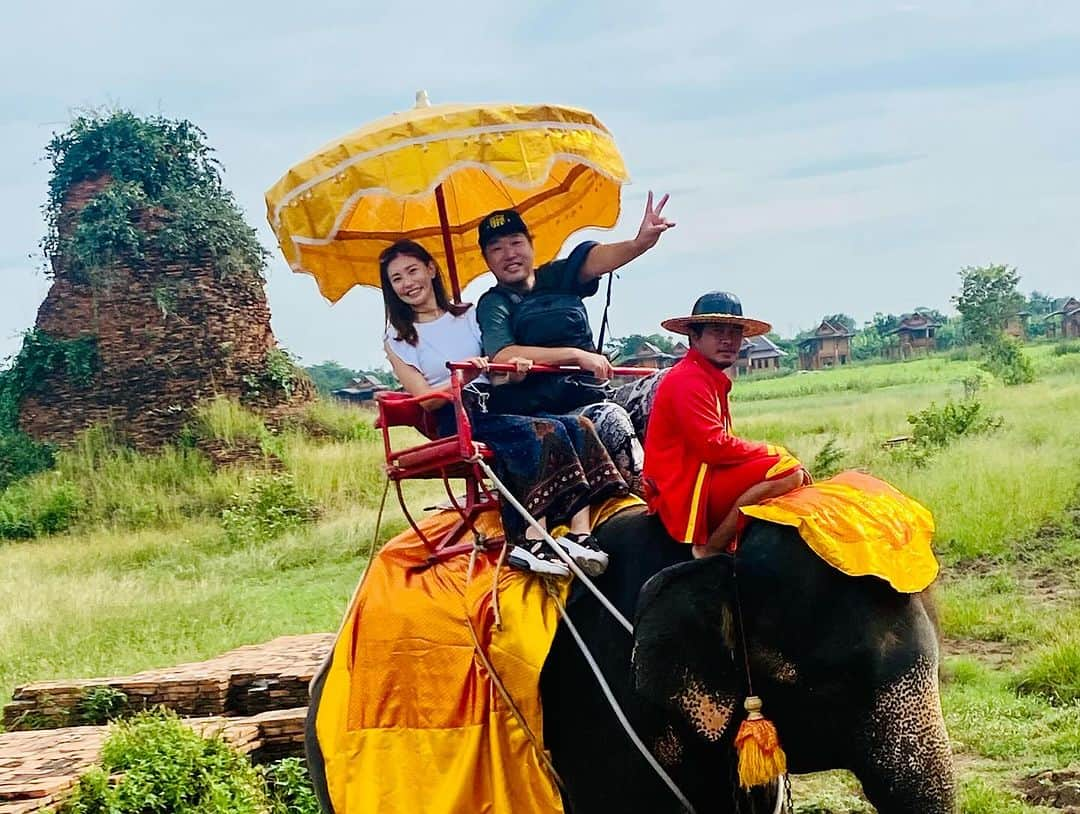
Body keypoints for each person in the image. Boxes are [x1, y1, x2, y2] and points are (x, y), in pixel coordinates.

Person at [380, 239, 627, 578]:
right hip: (455, 413)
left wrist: (515, 367)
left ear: (431, 269)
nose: (408, 283)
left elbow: (499, 359)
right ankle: (530, 539)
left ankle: (581, 534)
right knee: (539, 431)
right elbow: (425, 398)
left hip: (497, 403)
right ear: (391, 288)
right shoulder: (397, 340)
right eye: (397, 278)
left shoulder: (467, 316)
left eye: (412, 271)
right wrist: (461, 378)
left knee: (576, 426)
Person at [473, 193, 675, 489]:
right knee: (611, 417)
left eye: (516, 242)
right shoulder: (494, 304)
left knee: (669, 385)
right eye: (496, 248)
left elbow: (594, 261)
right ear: (487, 259)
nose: (509, 253)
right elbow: (503, 354)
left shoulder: (556, 277)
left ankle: (693, 480)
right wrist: (575, 356)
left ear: (530, 244)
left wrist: (639, 243)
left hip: (596, 393)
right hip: (552, 411)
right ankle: (647, 505)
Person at [641, 291, 807, 557]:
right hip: (684, 483)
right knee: (787, 471)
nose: (728, 340)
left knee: (790, 471)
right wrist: (770, 451)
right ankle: (712, 547)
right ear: (694, 337)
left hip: (699, 471)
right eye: (718, 332)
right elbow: (713, 446)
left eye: (735, 332)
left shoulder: (706, 376)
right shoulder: (689, 379)